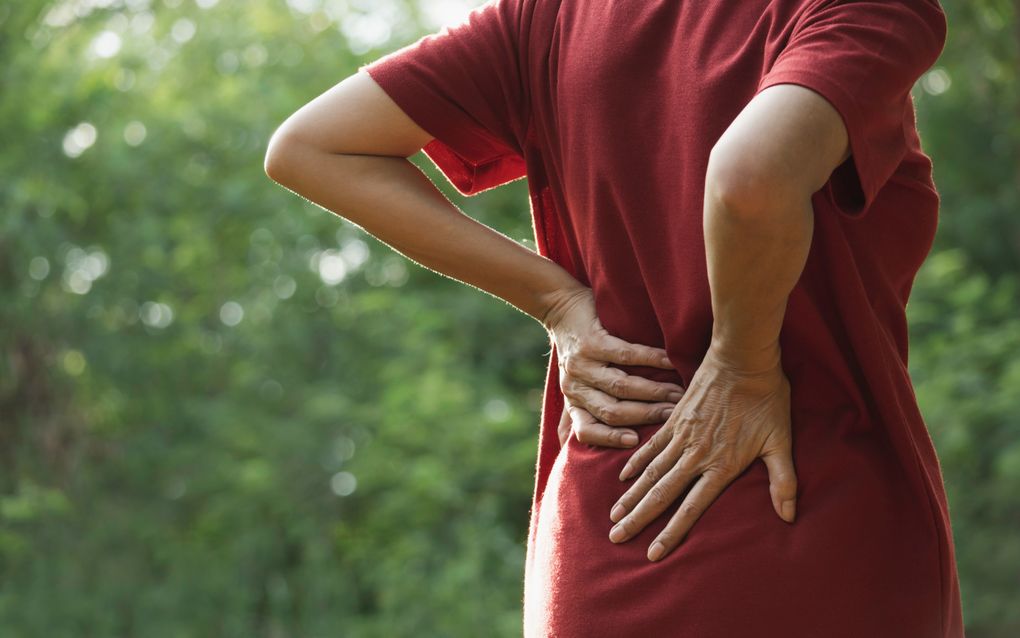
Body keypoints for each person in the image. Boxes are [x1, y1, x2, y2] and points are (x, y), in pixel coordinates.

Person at [263, 0, 964, 635]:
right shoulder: (859, 10)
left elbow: (311, 145)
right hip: (809, 524)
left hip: (605, 539)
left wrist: (557, 300)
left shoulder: (545, 18)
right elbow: (751, 179)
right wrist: (742, 366)